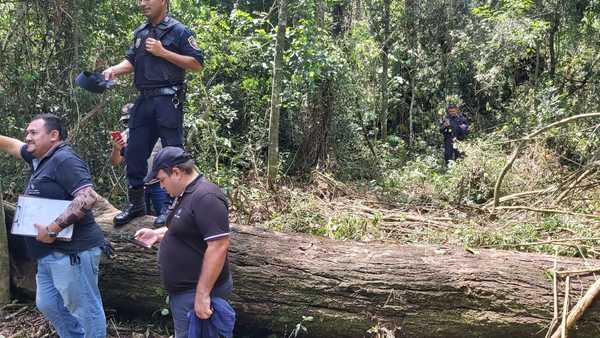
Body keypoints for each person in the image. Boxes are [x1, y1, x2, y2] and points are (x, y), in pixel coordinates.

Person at [0, 114, 106, 337]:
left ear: (54, 135)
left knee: (86, 310)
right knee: (48, 304)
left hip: (72, 253)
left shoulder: (64, 159)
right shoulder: (39, 158)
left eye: (34, 133)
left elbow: (88, 197)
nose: (28, 137)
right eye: (27, 132)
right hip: (47, 254)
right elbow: (11, 144)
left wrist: (52, 229)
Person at [102, 0, 204, 226]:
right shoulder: (141, 32)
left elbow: (196, 63)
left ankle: (173, 207)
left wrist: (163, 52)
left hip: (169, 100)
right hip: (144, 99)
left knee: (172, 155)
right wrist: (113, 70)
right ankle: (136, 205)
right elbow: (131, 61)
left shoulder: (179, 31)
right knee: (135, 152)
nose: (142, 3)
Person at [134, 147, 234, 338]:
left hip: (197, 291)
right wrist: (157, 234)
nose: (161, 187)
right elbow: (184, 229)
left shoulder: (206, 197)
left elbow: (218, 246)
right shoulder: (187, 194)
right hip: (184, 293)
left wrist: (202, 295)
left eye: (162, 180)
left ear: (177, 172)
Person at [110, 103, 172, 226]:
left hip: (158, 184)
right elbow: (115, 162)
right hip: (137, 185)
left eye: (132, 120)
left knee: (165, 218)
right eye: (126, 122)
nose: (130, 125)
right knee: (138, 220)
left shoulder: (158, 133)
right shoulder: (124, 136)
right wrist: (117, 149)